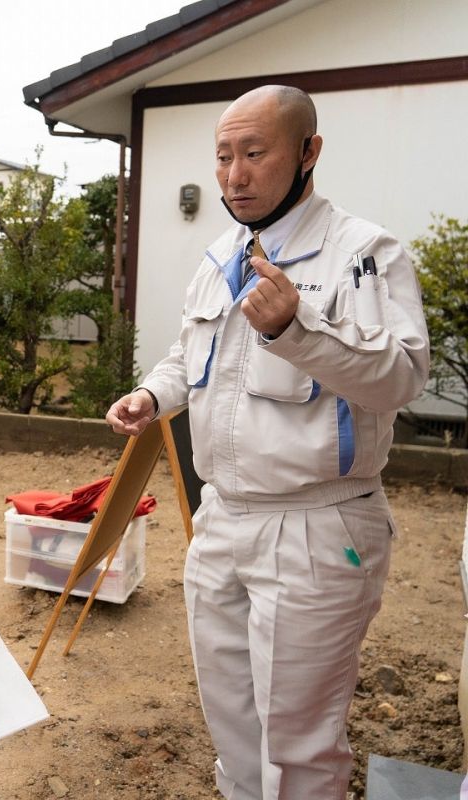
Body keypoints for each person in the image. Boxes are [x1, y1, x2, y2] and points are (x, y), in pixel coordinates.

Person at [106, 85, 429, 800]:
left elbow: (402, 377)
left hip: (317, 525)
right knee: (234, 732)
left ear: (308, 152)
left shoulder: (364, 254)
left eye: (255, 153)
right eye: (224, 156)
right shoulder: (222, 253)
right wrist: (153, 395)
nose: (235, 175)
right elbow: (190, 356)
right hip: (222, 519)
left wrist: (297, 329)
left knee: (300, 748)